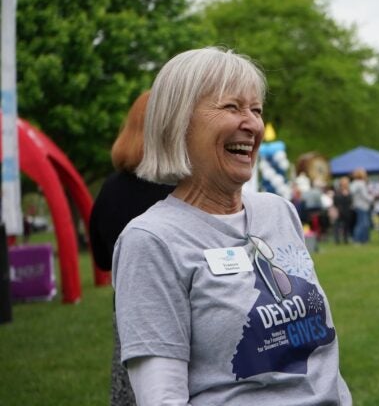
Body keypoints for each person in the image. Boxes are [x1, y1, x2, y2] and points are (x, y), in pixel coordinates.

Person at [112, 48, 351, 405]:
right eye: (231, 107)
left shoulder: (278, 212)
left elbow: (320, 359)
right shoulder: (151, 240)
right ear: (179, 121)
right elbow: (163, 398)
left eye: (256, 109)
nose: (253, 124)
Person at [90, 91, 174, 406]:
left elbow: (100, 258)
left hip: (127, 315)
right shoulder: (184, 190)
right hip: (177, 319)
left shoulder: (111, 189)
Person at [349, 168, 373, 244]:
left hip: (357, 205)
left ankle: (363, 239)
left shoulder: (353, 183)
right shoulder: (361, 184)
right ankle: (358, 239)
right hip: (362, 206)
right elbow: (365, 195)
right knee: (363, 224)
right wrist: (373, 198)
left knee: (361, 223)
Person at [332, 177, 354, 244]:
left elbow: (350, 201)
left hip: (347, 211)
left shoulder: (349, 192)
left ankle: (345, 239)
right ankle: (337, 240)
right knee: (337, 226)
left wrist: (346, 196)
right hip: (339, 210)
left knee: (346, 226)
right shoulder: (338, 192)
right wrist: (344, 196)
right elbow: (335, 201)